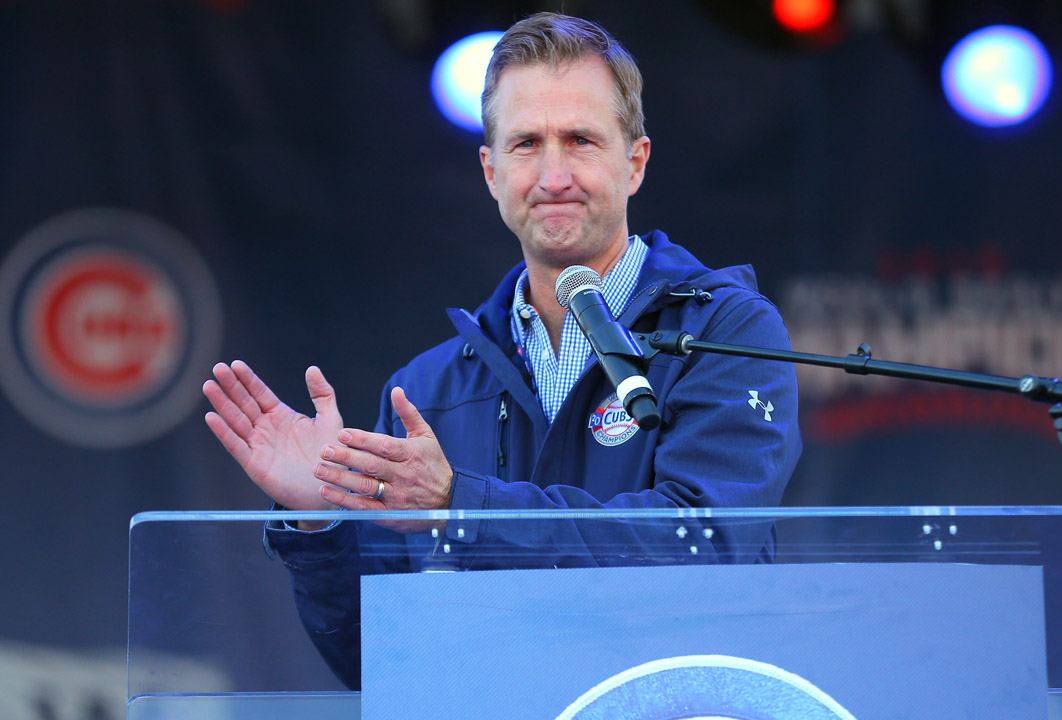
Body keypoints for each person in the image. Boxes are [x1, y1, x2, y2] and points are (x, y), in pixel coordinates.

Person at [202, 12, 801, 690]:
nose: (553, 174)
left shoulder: (724, 332)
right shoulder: (427, 389)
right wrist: (321, 524)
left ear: (634, 163)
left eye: (580, 140)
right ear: (490, 171)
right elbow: (380, 661)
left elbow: (702, 547)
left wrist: (462, 506)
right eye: (526, 144)